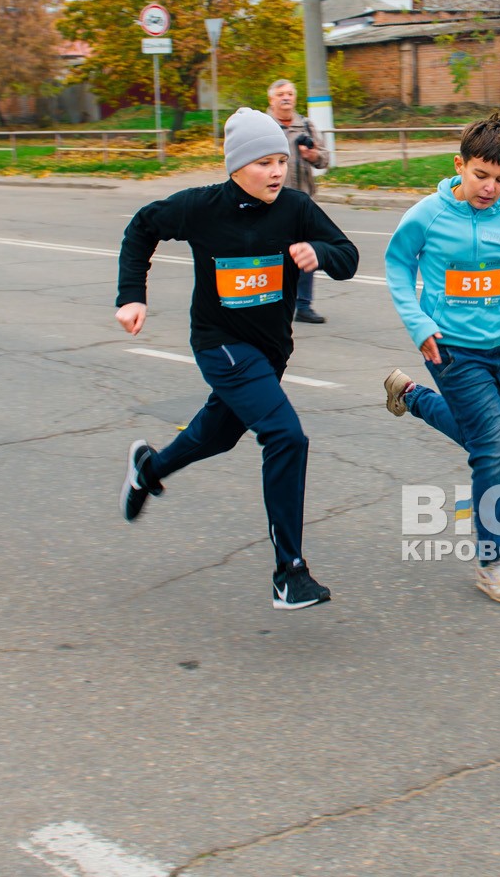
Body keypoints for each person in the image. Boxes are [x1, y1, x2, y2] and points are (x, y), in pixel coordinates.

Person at [115, 107, 359, 608]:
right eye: (264, 162)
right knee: (286, 436)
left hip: (270, 353)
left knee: (217, 435)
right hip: (218, 344)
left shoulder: (295, 208)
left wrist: (320, 253)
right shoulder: (201, 208)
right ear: (235, 167)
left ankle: (149, 469)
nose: (276, 171)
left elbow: (348, 256)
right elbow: (142, 227)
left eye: (280, 161)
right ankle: (289, 572)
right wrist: (131, 296)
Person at [383, 112, 500, 604]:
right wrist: (419, 325)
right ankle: (493, 561)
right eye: (481, 175)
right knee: (495, 452)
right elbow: (396, 265)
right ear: (459, 165)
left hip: (499, 349)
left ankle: (411, 396)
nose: (490, 187)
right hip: (449, 349)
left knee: (487, 439)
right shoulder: (427, 215)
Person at [266, 78, 331, 324]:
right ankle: (271, 302)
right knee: (273, 255)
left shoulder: (305, 125)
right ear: (271, 99)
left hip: (303, 203)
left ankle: (303, 305)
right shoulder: (262, 126)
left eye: (290, 93)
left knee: (306, 253)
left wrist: (313, 154)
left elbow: (324, 159)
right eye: (281, 94)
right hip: (270, 203)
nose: (286, 97)